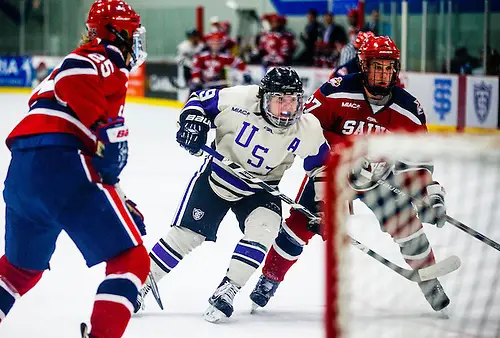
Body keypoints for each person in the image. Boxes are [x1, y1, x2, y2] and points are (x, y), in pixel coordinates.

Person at [250, 36, 450, 313]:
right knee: (300, 224)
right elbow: (306, 129)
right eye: (376, 67)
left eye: (388, 68)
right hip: (332, 172)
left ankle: (431, 281)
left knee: (408, 226)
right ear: (363, 66)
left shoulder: (409, 109)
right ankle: (269, 278)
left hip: (380, 178)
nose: (383, 75)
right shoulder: (336, 91)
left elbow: (417, 159)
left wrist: (426, 194)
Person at [0, 1, 149, 337]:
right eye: (131, 32)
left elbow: (94, 145)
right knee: (131, 259)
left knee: (20, 269)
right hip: (61, 165)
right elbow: (76, 76)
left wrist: (117, 195)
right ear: (115, 32)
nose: (136, 41)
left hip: (22, 174)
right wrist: (110, 139)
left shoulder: (76, 70)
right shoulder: (98, 60)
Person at [134, 67, 330, 323]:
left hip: (261, 188)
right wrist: (192, 124)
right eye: (279, 99)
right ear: (263, 97)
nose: (286, 109)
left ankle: (229, 289)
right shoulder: (238, 99)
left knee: (263, 231)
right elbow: (198, 101)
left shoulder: (307, 128)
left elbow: (323, 166)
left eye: (292, 100)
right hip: (218, 178)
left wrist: (325, 204)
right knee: (186, 235)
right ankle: (140, 284)